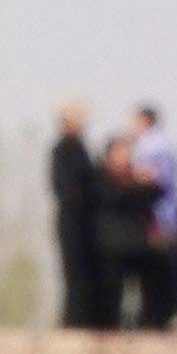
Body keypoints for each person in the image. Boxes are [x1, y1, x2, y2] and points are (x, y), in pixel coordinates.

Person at [109, 105, 177, 328]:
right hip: (159, 220)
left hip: (155, 221)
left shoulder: (150, 146)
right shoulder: (164, 145)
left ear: (144, 121)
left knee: (151, 278)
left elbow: (155, 184)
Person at [49, 102, 109, 329]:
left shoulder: (82, 148)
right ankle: (73, 321)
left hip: (88, 221)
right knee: (73, 272)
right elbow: (61, 186)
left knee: (88, 272)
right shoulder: (60, 149)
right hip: (70, 220)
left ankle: (88, 320)